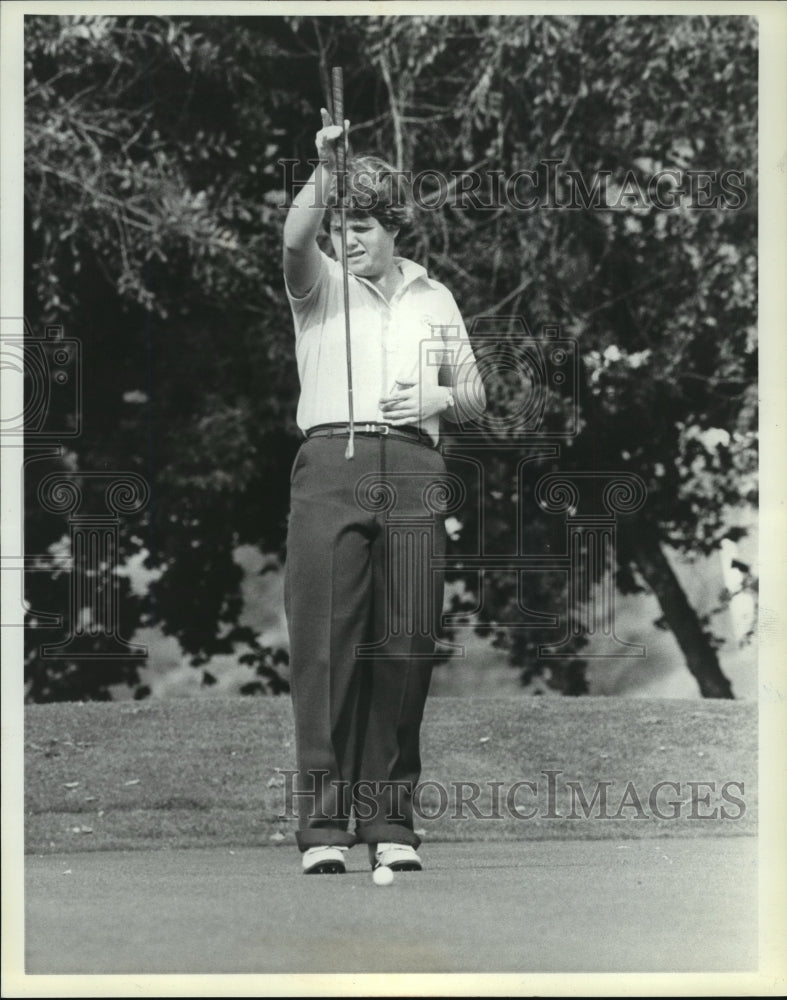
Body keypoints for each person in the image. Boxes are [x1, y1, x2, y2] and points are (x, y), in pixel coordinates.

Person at [282, 108, 484, 874]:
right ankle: (324, 832)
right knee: (326, 647)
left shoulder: (434, 295)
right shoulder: (318, 285)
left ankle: (390, 826)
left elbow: (473, 392)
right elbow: (294, 238)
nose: (348, 238)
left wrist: (436, 402)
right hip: (331, 463)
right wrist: (324, 171)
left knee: (404, 645)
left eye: (362, 224)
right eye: (342, 226)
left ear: (392, 225)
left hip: (414, 468)